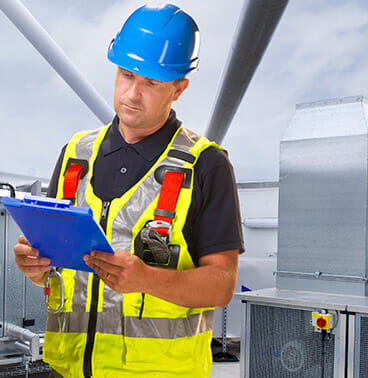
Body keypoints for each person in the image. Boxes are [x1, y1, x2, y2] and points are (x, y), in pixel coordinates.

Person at [13, 3, 243, 377]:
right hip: (65, 368)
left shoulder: (206, 165)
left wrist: (148, 279)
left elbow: (222, 285)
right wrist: (35, 265)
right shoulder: (76, 154)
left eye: (150, 82)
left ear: (179, 88)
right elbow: (53, 261)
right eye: (125, 75)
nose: (132, 94)